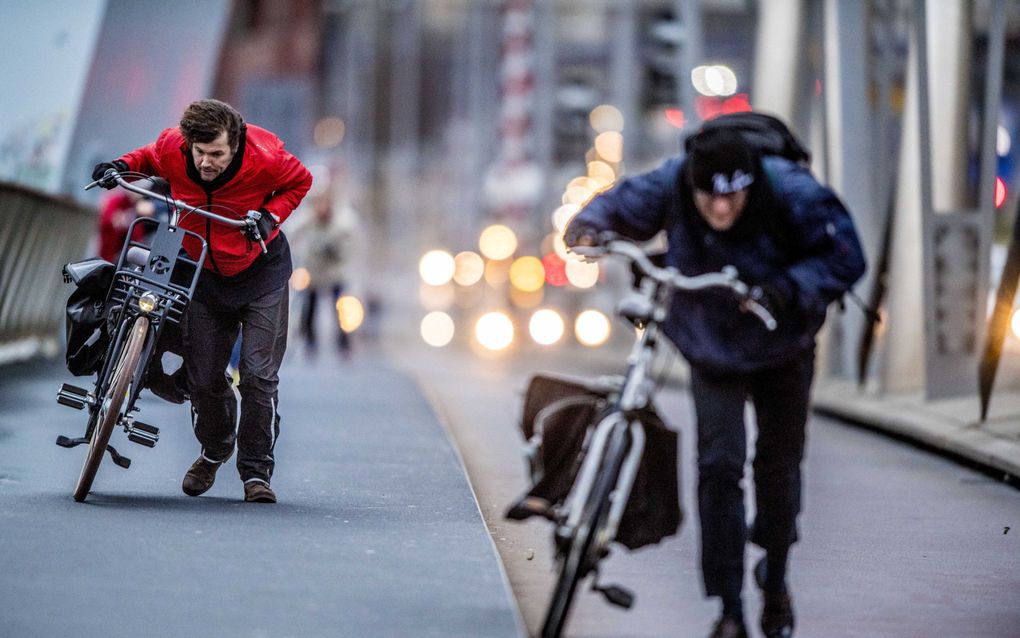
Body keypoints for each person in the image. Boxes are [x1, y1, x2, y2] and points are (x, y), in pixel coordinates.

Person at [564, 120, 866, 638]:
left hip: (782, 340)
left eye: (734, 197)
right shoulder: (673, 181)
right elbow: (615, 206)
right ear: (692, 187)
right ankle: (728, 607)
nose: (722, 209)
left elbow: (845, 256)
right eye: (709, 199)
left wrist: (786, 288)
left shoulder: (792, 190)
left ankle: (774, 571)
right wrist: (589, 229)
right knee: (718, 467)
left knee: (777, 467)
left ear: (751, 181)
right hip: (710, 344)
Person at [92, 98, 312, 504]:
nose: (207, 162)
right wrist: (119, 166)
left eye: (217, 154)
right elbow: (146, 158)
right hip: (204, 274)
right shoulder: (173, 147)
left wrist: (268, 216)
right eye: (200, 153)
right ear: (188, 145)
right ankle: (214, 451)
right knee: (205, 377)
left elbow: (300, 182)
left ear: (236, 144)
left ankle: (256, 473)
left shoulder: (265, 156)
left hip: (261, 272)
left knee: (258, 376)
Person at [288, 191, 359, 359]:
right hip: (314, 272)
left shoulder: (341, 225)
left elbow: (349, 248)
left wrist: (335, 249)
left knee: (340, 311)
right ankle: (310, 343)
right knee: (310, 309)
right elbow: (292, 231)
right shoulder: (310, 221)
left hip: (335, 273)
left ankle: (344, 344)